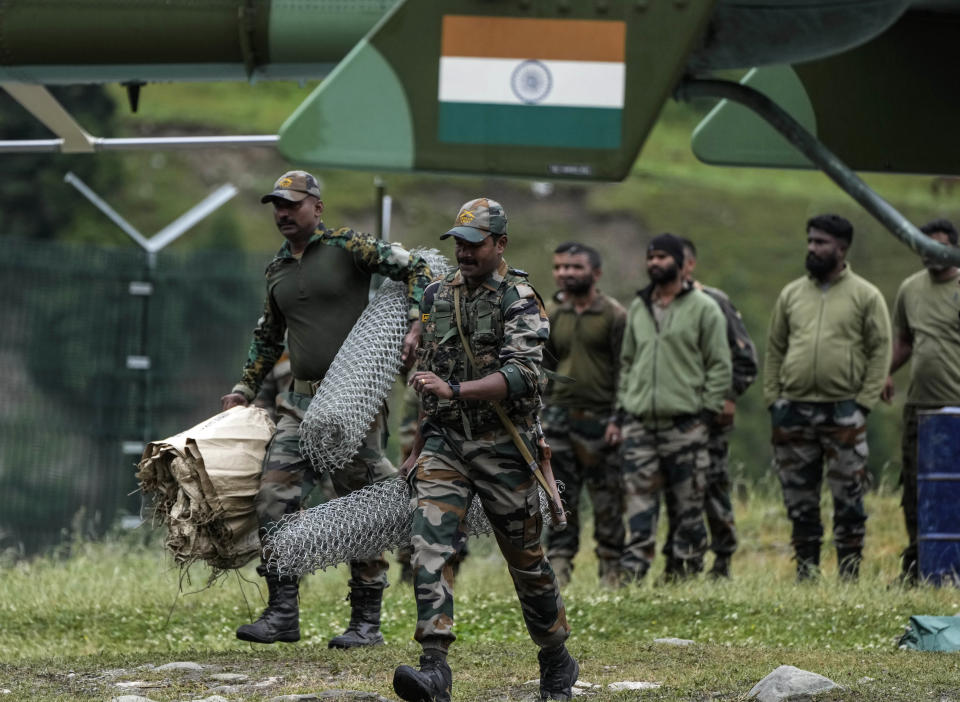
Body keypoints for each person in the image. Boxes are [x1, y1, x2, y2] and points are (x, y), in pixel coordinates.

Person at [220, 170, 433, 647]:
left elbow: (416, 266)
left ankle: (365, 622)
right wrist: (243, 387)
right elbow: (267, 337)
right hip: (297, 401)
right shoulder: (276, 269)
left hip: (352, 402)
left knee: (359, 508)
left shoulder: (348, 247)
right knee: (273, 498)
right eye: (276, 204)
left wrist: (417, 321)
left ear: (317, 207)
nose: (282, 213)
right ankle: (281, 613)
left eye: (292, 204)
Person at [396, 197, 577, 702]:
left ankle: (556, 657)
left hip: (504, 446)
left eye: (475, 245)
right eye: (458, 244)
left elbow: (523, 375)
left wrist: (457, 391)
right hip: (447, 443)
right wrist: (417, 444)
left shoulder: (519, 299)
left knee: (526, 561)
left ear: (500, 245)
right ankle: (435, 667)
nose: (465, 253)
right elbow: (430, 375)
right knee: (429, 543)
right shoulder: (436, 295)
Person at [764, 214, 891, 582]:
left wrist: (863, 403)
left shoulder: (865, 295)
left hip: (843, 413)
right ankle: (806, 573)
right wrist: (774, 398)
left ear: (841, 248)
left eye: (820, 242)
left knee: (849, 498)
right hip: (793, 412)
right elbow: (775, 348)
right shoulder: (791, 294)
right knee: (799, 502)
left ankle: (849, 576)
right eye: (810, 241)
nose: (812, 248)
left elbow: (880, 350)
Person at [608, 233, 731, 582]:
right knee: (637, 505)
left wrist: (705, 415)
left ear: (680, 263)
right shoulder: (638, 308)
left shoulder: (705, 308)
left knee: (688, 505)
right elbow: (628, 364)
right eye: (651, 257)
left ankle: (685, 575)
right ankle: (633, 576)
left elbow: (720, 365)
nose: (654, 263)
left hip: (686, 425)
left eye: (662, 257)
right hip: (640, 425)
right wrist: (621, 414)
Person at [672, 237, 758, 579]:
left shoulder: (715, 302)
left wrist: (727, 397)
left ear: (690, 264)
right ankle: (679, 562)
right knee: (676, 492)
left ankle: (722, 561)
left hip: (708, 418)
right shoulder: (659, 304)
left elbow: (745, 362)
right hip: (670, 418)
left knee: (712, 487)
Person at [542, 241, 626, 588]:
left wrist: (620, 419)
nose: (566, 273)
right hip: (558, 419)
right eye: (560, 267)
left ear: (595, 273)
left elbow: (627, 370)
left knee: (607, 499)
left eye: (575, 267)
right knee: (560, 497)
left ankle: (612, 573)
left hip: (601, 420)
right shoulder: (550, 314)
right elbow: (542, 368)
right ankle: (560, 572)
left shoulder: (614, 315)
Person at [881, 219, 960, 585]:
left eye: (938, 246)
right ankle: (918, 564)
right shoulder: (910, 289)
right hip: (919, 406)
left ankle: (953, 566)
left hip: (956, 406)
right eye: (923, 245)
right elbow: (904, 342)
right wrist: (884, 372)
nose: (929, 253)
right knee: (915, 486)